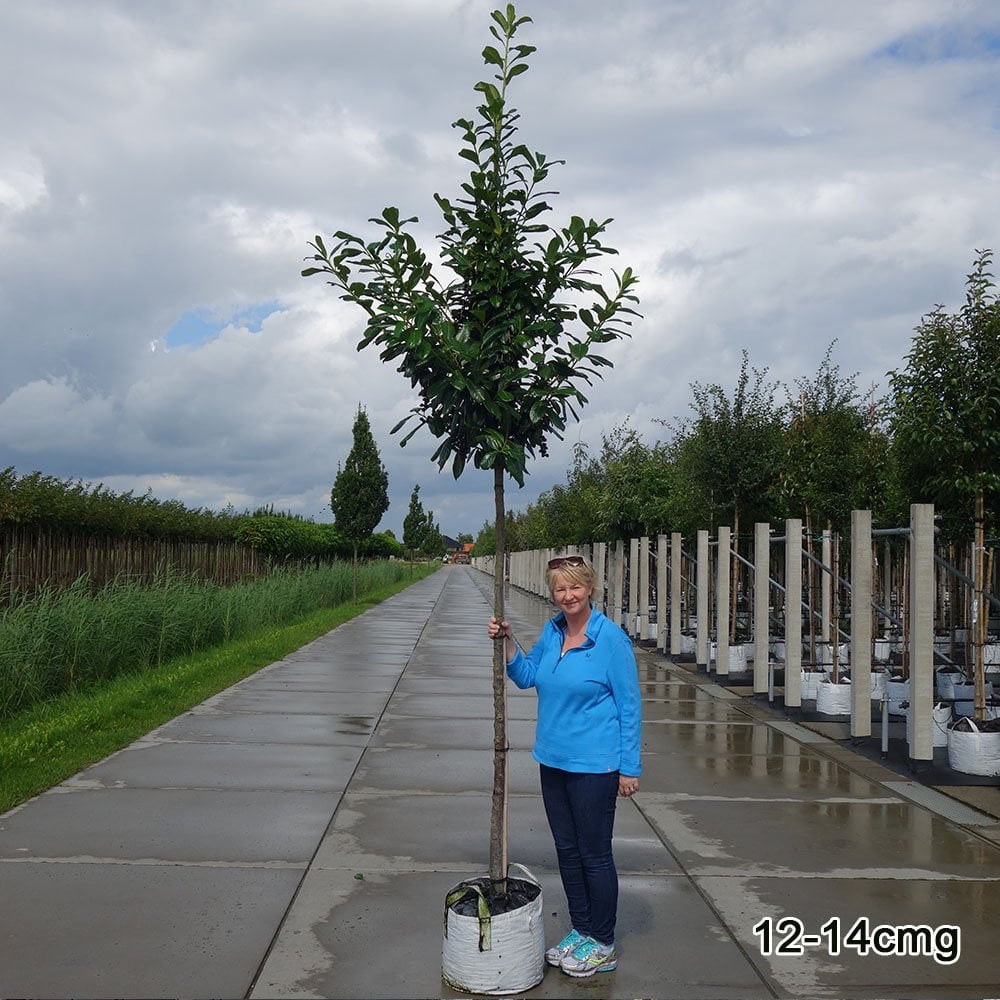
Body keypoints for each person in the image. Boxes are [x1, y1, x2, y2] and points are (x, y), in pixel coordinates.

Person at [487, 554, 642, 979]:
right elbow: (527, 674)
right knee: (567, 853)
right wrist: (507, 641)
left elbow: (630, 706)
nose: (568, 595)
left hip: (595, 766)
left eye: (575, 587)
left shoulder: (610, 641)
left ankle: (604, 942)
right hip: (552, 760)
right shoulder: (553, 631)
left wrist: (629, 767)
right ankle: (582, 929)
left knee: (594, 855)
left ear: (590, 588)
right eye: (560, 588)